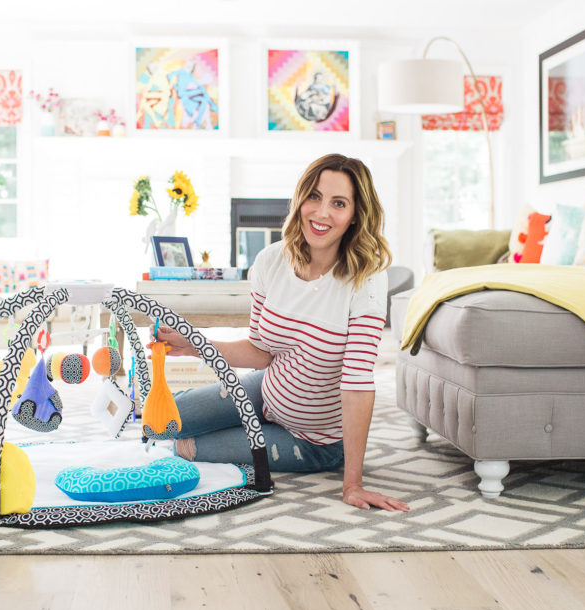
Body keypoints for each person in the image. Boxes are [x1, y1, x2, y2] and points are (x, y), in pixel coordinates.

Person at [156, 154, 409, 512]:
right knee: (162, 422)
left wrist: (353, 484)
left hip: (313, 440)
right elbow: (260, 351)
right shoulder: (271, 260)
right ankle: (202, 403)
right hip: (265, 390)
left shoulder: (366, 279)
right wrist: (195, 344)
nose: (321, 213)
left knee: (189, 448)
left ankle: (216, 423)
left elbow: (356, 384)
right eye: (315, 197)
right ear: (300, 198)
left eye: (338, 203)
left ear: (355, 215)